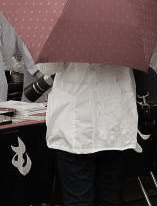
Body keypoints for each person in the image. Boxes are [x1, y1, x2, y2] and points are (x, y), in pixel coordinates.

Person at [39, 62, 138, 206]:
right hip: (115, 124)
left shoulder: (65, 39)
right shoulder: (124, 39)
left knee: (78, 200)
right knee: (109, 197)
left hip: (77, 129)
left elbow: (47, 68)